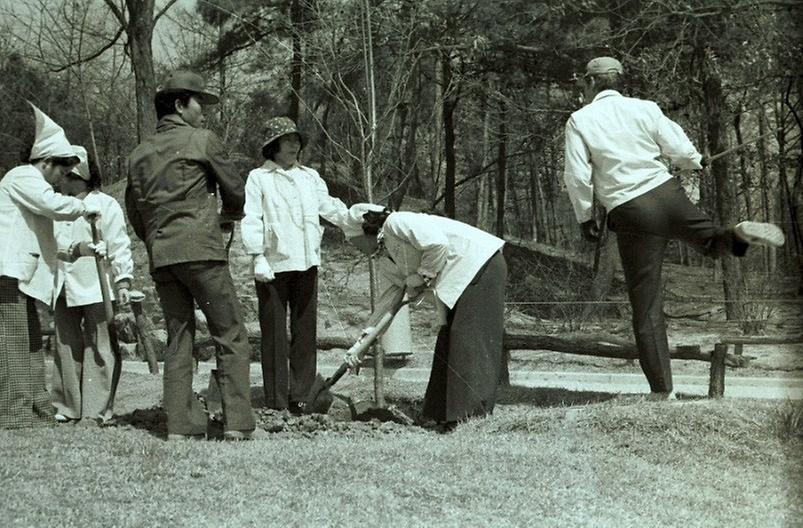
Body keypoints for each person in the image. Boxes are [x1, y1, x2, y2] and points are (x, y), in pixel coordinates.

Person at [563, 56, 785, 398]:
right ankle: (738, 233)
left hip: (631, 210)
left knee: (646, 302)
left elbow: (578, 176)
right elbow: (680, 149)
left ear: (591, 84)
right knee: (713, 244)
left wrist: (584, 217)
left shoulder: (579, 120)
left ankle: (662, 391)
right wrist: (695, 161)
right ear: (620, 81)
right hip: (667, 194)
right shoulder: (647, 108)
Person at [125, 71, 256, 440]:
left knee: (178, 337)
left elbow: (135, 213)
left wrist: (157, 240)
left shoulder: (138, 154)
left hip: (163, 257)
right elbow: (235, 191)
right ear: (181, 104)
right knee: (230, 333)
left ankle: (180, 427)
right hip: (202, 253)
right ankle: (238, 425)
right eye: (200, 103)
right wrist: (228, 216)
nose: (205, 112)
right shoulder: (203, 140)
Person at [342, 204, 507, 429]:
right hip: (459, 279)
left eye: (354, 241)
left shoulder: (397, 223)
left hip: (480, 265)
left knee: (468, 342)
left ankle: (471, 418)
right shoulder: (384, 260)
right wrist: (360, 346)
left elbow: (437, 245)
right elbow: (387, 303)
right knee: (450, 340)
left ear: (364, 230)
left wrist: (422, 276)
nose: (355, 247)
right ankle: (441, 415)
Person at [0, 103, 102, 429]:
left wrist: (77, 249)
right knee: (13, 345)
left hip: (23, 276)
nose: (63, 179)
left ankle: (38, 411)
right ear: (45, 161)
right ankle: (14, 415)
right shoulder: (22, 177)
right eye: (61, 170)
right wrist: (83, 207)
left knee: (30, 345)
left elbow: (44, 237)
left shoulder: (33, 184)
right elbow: (53, 206)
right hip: (9, 274)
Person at [241, 117, 349, 413]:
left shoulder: (309, 177)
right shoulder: (258, 178)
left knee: (305, 333)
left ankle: (302, 397)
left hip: (306, 263)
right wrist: (256, 255)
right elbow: (251, 218)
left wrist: (356, 220)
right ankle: (276, 403)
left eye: (296, 140)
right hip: (272, 266)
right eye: (286, 140)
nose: (293, 145)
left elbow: (329, 207)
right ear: (272, 146)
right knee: (274, 335)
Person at [51, 146, 134, 426]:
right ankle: (68, 406)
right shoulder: (57, 205)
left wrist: (123, 279)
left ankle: (96, 408)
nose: (60, 179)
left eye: (66, 173)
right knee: (66, 344)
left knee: (101, 345)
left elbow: (120, 244)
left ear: (79, 175)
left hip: (98, 284)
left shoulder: (105, 205)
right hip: (64, 282)